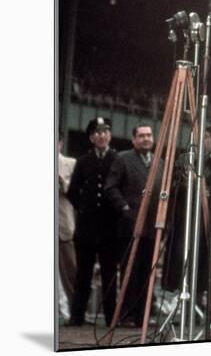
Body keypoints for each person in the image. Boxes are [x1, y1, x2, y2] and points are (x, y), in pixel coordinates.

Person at [105, 123, 163, 329]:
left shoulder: (160, 162)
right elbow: (110, 187)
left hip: (153, 228)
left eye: (149, 135)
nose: (146, 139)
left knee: (148, 273)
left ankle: (142, 316)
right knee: (131, 271)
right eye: (141, 135)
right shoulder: (123, 159)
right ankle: (126, 315)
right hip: (130, 227)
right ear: (134, 139)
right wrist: (125, 209)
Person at [67, 117, 118, 327]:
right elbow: (72, 193)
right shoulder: (83, 161)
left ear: (110, 135)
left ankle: (110, 318)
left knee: (109, 275)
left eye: (105, 131)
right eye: (97, 132)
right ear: (91, 137)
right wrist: (85, 209)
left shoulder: (118, 158)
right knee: (83, 275)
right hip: (87, 228)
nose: (102, 135)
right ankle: (77, 317)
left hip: (109, 227)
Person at [58, 131, 77, 311]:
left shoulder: (70, 164)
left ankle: (75, 309)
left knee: (70, 270)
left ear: (60, 143)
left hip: (63, 225)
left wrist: (60, 179)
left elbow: (74, 190)